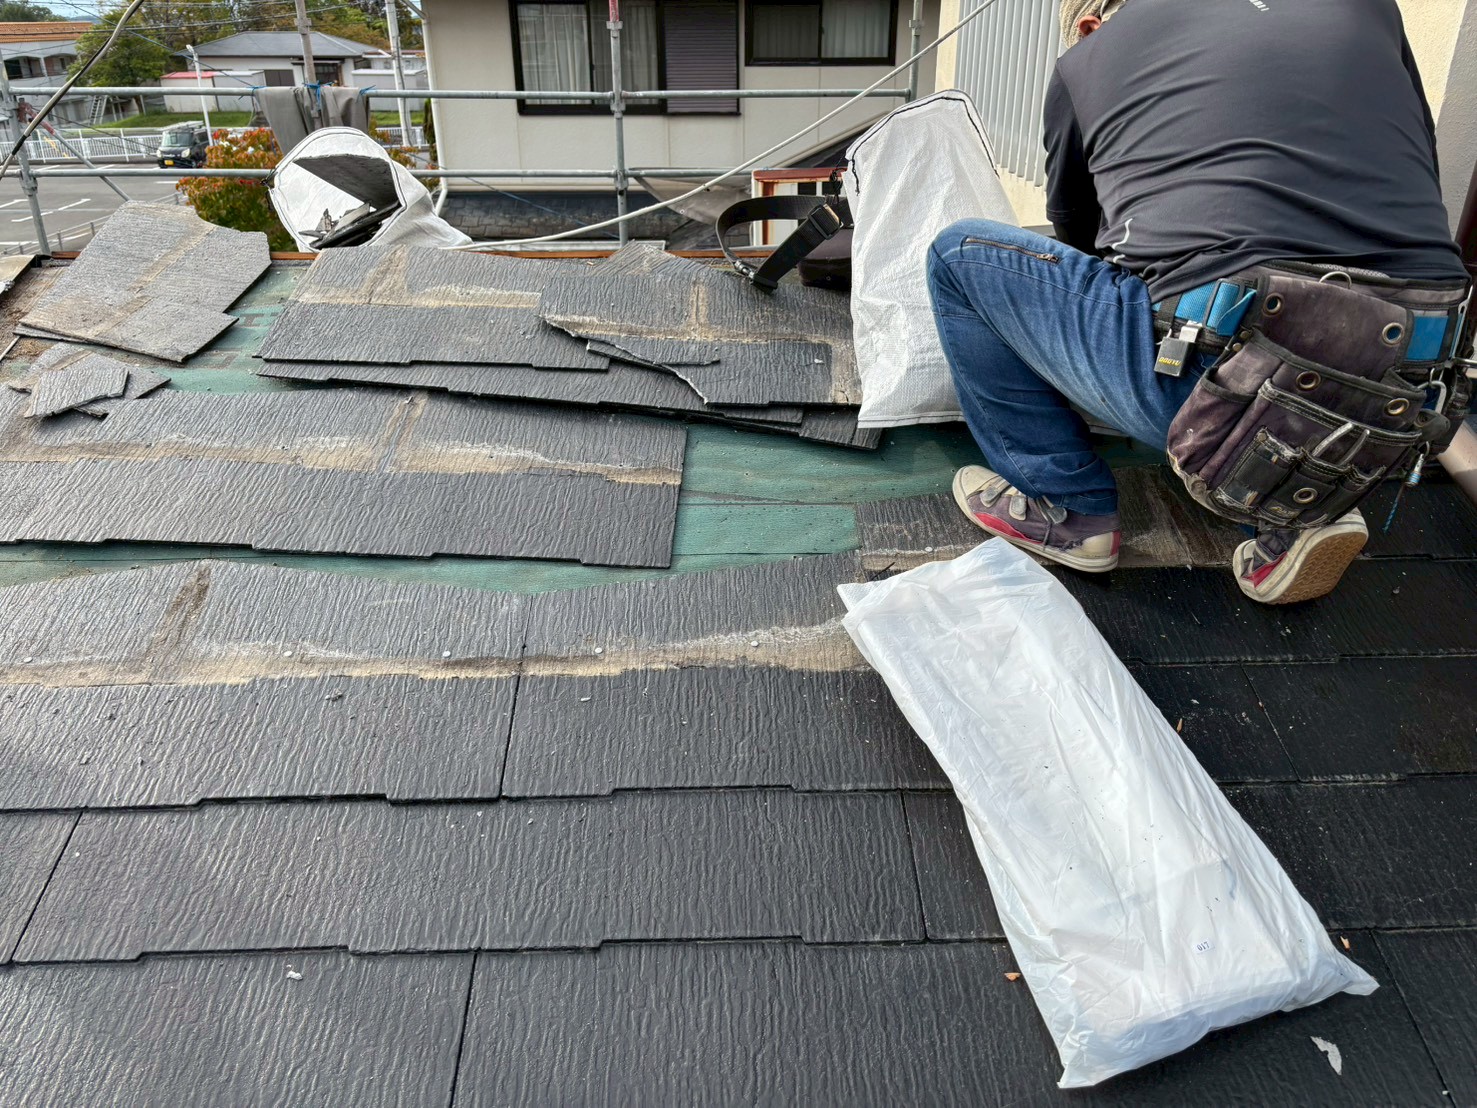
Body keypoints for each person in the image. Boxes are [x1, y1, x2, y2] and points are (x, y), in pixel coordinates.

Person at [927, 0, 1469, 603]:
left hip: (1223, 372)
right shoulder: (1363, 6)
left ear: (1089, 25)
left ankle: (1068, 508)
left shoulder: (1089, 57)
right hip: (1414, 393)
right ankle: (1297, 511)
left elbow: (1079, 237)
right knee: (1272, 325)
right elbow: (1416, 158)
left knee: (957, 255)